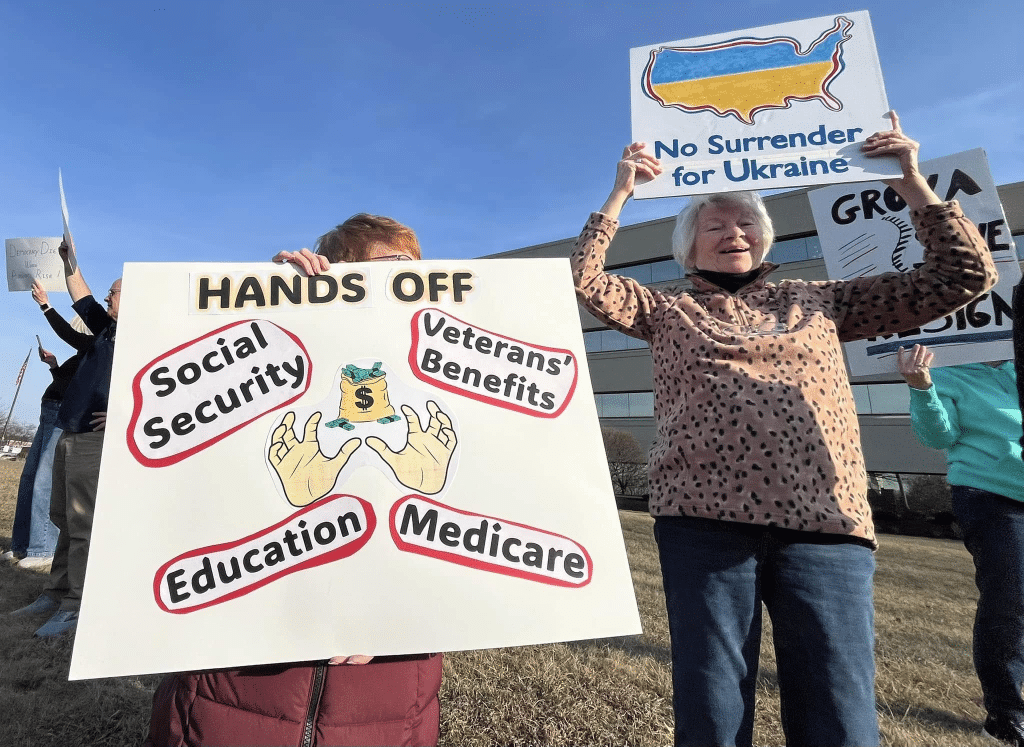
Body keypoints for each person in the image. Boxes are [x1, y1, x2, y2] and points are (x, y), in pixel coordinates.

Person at [571, 112, 998, 747]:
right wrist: (621, 193)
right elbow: (588, 282)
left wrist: (910, 181)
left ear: (765, 240)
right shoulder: (666, 310)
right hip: (701, 523)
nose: (731, 233)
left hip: (825, 525)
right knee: (712, 700)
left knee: (839, 706)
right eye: (713, 226)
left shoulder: (823, 299)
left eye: (745, 223)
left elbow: (962, 276)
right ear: (687, 248)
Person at [145, 214, 443, 747]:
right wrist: (262, 309)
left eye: (411, 274)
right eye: (381, 272)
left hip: (385, 700)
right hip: (237, 694)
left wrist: (401, 607)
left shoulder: (432, 396)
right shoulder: (277, 373)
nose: (400, 287)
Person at [898, 343, 1024, 746]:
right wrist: (922, 388)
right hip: (990, 495)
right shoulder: (948, 370)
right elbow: (938, 436)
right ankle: (1006, 715)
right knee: (1011, 599)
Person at [11, 240, 119, 638]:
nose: (106, 296)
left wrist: (126, 412)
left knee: (83, 523)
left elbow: (171, 388)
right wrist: (68, 259)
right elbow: (83, 294)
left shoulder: (143, 340)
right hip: (71, 431)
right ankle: (55, 592)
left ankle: (76, 605)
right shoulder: (108, 330)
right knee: (61, 517)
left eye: (115, 291)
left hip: (96, 439)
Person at [4, 281, 94, 569]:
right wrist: (54, 365)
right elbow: (65, 382)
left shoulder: (99, 350)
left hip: (64, 414)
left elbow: (68, 333)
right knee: (30, 477)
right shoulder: (80, 358)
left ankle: (43, 547)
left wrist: (45, 304)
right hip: (49, 410)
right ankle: (21, 545)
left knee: (46, 479)